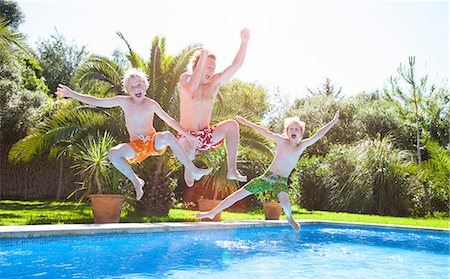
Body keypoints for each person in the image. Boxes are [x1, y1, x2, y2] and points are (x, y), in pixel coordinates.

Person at [56, 68, 212, 201]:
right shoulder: (123, 102)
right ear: (127, 90)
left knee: (167, 136)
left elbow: (170, 120)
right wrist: (72, 94)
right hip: (136, 147)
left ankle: (192, 168)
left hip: (151, 141)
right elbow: (98, 101)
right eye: (132, 87)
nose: (136, 88)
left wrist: (188, 135)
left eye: (139, 84)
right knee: (113, 154)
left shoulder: (151, 104)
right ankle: (136, 181)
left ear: (145, 86)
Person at [196, 112, 340, 232]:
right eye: (291, 129)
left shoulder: (301, 146)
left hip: (280, 181)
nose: (293, 131)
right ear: (287, 132)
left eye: (296, 129)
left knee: (285, 203)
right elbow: (263, 131)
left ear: (301, 133)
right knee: (238, 195)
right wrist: (246, 123)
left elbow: (318, 135)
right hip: (267, 178)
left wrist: (332, 122)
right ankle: (213, 212)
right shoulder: (281, 141)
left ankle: (290, 218)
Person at [177, 28, 250, 187]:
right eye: (208, 66)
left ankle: (232, 169)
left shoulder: (214, 83)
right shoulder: (186, 79)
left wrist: (244, 42)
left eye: (213, 67)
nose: (212, 70)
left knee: (232, 125)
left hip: (206, 134)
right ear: (198, 65)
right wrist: (202, 58)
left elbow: (235, 66)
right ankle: (189, 167)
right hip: (186, 135)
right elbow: (191, 88)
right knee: (187, 151)